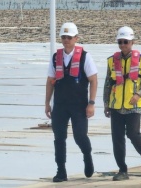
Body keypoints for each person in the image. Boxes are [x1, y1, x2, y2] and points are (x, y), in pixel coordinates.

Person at [45, 22, 98, 182]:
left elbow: (93, 80)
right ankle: (61, 170)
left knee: (80, 136)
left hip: (79, 105)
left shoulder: (85, 56)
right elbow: (50, 81)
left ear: (76, 38)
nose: (66, 40)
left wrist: (91, 103)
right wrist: (47, 103)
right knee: (59, 138)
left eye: (69, 37)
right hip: (60, 105)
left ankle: (87, 156)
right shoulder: (56, 57)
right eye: (63, 37)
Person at [103, 26, 141, 181]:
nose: (123, 45)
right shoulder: (112, 61)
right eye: (120, 42)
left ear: (132, 42)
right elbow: (107, 83)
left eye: (126, 42)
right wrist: (106, 104)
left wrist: (138, 94)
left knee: (132, 133)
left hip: (134, 105)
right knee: (117, 139)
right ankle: (122, 170)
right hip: (116, 105)